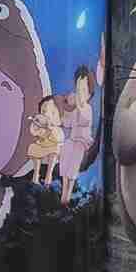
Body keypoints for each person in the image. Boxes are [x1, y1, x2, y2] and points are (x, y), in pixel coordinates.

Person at [58, 65, 97, 206]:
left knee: (73, 166)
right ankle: (64, 192)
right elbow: (68, 123)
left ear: (90, 93)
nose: (80, 94)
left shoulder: (87, 108)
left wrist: (78, 106)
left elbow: (84, 121)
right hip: (72, 140)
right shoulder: (75, 108)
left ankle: (67, 196)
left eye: (84, 90)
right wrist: (64, 113)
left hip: (82, 141)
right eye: (78, 90)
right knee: (65, 153)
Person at [26, 95, 65, 185]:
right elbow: (34, 133)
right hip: (42, 146)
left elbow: (58, 139)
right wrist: (37, 127)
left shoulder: (57, 129)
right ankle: (36, 174)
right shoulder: (41, 125)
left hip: (53, 147)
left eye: (52, 112)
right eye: (43, 111)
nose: (47, 114)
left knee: (55, 150)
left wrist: (50, 129)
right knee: (33, 148)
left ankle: (49, 175)